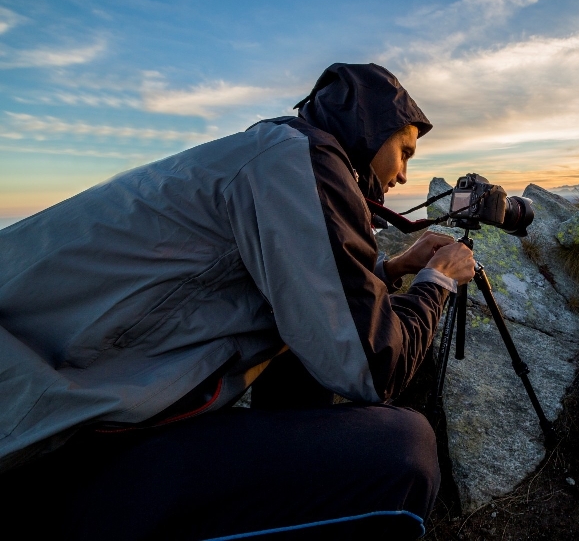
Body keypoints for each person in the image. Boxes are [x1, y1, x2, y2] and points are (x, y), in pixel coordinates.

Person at [0, 63, 475, 539]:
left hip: (45, 399)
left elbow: (263, 280)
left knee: (297, 345)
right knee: (404, 453)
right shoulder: (301, 162)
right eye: (404, 152)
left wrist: (389, 270)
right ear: (369, 128)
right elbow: (374, 369)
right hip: (50, 443)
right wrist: (436, 283)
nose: (404, 175)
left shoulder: (260, 153)